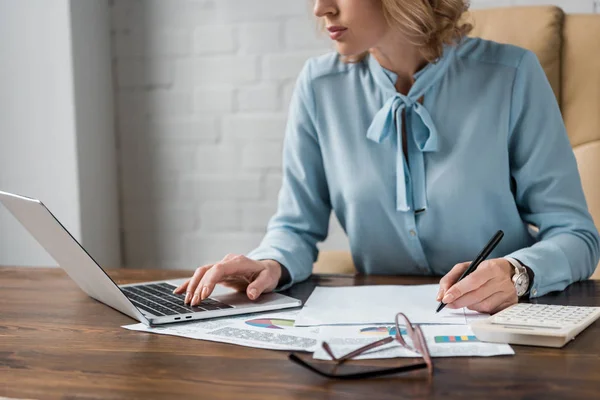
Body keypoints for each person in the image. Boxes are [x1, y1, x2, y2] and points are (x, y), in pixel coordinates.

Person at [174, 0, 600, 314]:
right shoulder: (319, 87)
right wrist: (271, 262)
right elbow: (295, 227)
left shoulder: (511, 76)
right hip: (376, 330)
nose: (321, 8)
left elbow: (577, 236)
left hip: (501, 324)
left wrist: (517, 273)